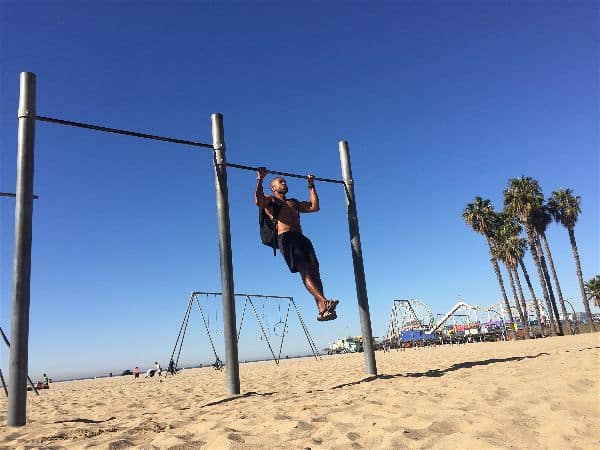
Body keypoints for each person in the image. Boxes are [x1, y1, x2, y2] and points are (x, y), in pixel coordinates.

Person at [255, 167, 339, 321]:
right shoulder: (271, 200)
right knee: (304, 270)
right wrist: (260, 179)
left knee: (315, 271)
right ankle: (323, 301)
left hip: (301, 238)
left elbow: (314, 207)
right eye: (281, 182)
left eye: (284, 181)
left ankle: (322, 310)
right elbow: (258, 201)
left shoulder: (293, 202)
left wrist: (311, 185)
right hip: (286, 239)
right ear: (273, 188)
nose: (284, 182)